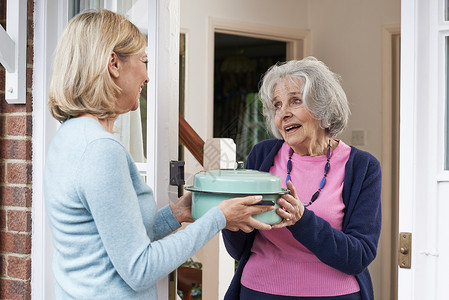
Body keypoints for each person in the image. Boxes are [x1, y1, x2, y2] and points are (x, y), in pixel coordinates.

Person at [44, 9, 273, 299]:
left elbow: (117, 238)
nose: (148, 77)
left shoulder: (69, 135)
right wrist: (217, 218)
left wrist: (179, 212)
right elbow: (140, 268)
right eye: (144, 61)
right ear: (113, 63)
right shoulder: (100, 150)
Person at [223, 57, 382, 300]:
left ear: (323, 107)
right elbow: (238, 249)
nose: (283, 114)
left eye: (295, 101)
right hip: (259, 291)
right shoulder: (263, 155)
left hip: (334, 295)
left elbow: (359, 255)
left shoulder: (362, 167)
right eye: (277, 105)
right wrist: (230, 217)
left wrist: (302, 220)